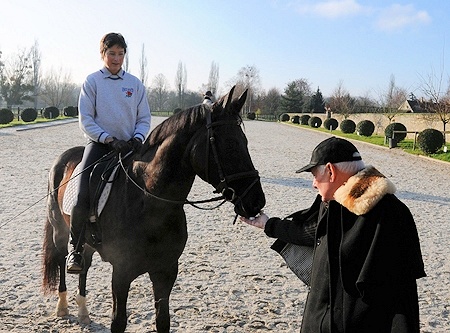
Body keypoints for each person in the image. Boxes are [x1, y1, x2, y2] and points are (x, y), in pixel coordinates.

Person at [241, 137, 425, 333]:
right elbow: (307, 232)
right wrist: (268, 224)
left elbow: (402, 298)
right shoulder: (332, 204)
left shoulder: (391, 214)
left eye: (314, 175)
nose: (313, 184)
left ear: (330, 171)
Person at [66, 32, 151, 274]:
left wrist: (137, 137)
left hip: (131, 146)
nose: (116, 59)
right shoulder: (92, 81)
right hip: (100, 145)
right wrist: (108, 139)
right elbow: (86, 120)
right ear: (103, 54)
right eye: (111, 53)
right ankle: (76, 249)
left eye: (120, 54)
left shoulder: (134, 84)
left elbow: (144, 118)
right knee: (83, 192)